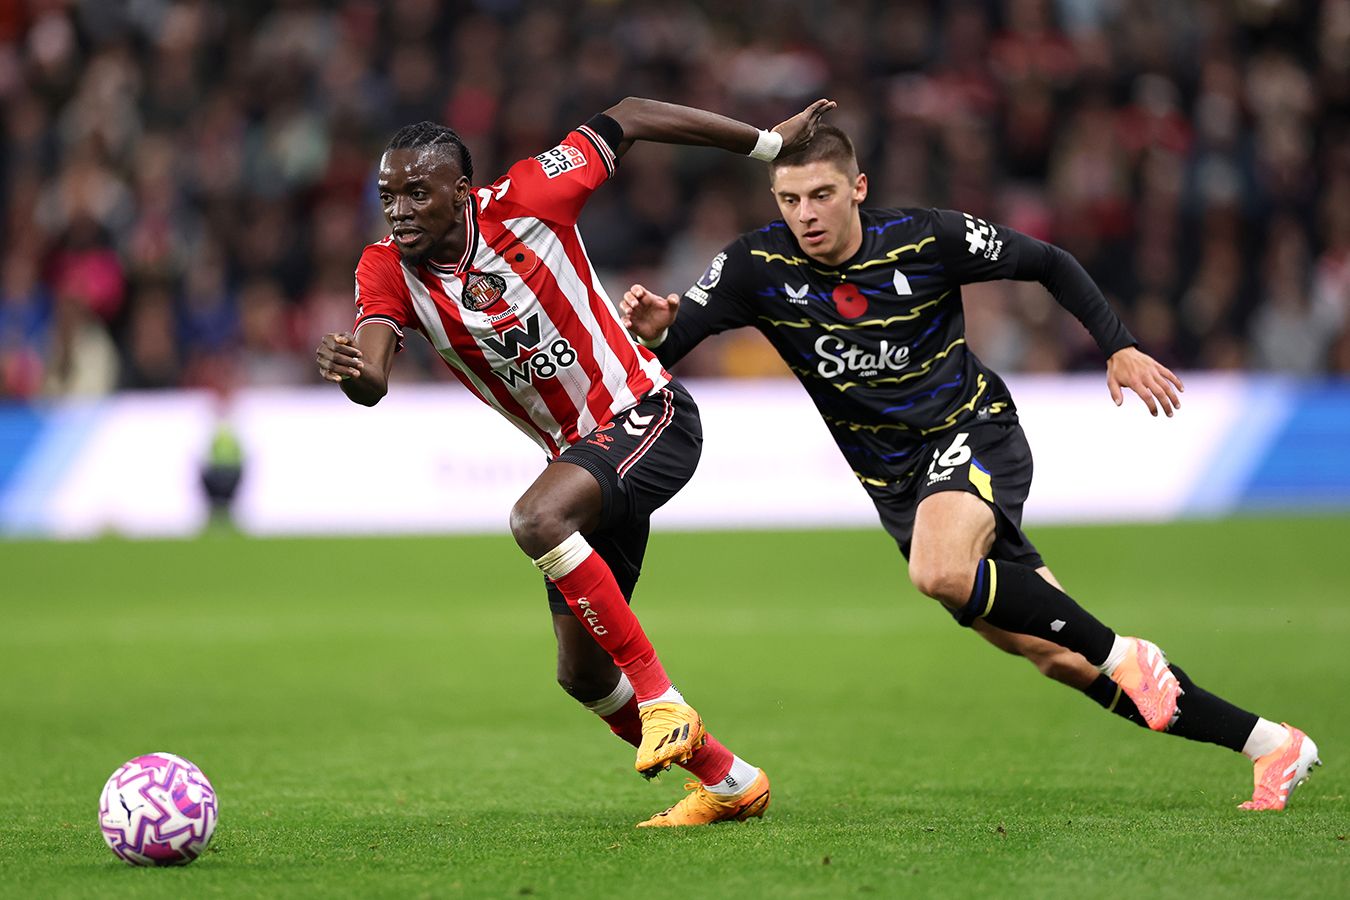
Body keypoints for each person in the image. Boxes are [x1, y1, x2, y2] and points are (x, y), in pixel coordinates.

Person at [621, 124, 1321, 811]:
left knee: (941, 571)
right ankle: (1271, 744)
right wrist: (655, 330)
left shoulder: (926, 238)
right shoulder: (755, 266)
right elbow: (662, 351)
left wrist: (1118, 344)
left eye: (822, 195)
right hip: (899, 486)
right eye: (790, 200)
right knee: (1061, 656)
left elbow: (1049, 261)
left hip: (973, 431)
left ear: (858, 188)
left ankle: (1126, 655)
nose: (806, 214)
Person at [315, 97, 836, 827]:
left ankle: (662, 701)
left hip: (648, 415)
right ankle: (729, 781)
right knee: (582, 672)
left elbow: (633, 115)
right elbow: (373, 376)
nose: (398, 211)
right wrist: (351, 372)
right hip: (583, 461)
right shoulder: (386, 268)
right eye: (387, 196)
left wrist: (767, 145)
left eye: (416, 193)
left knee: (536, 517)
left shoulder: (533, 195)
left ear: (461, 192)